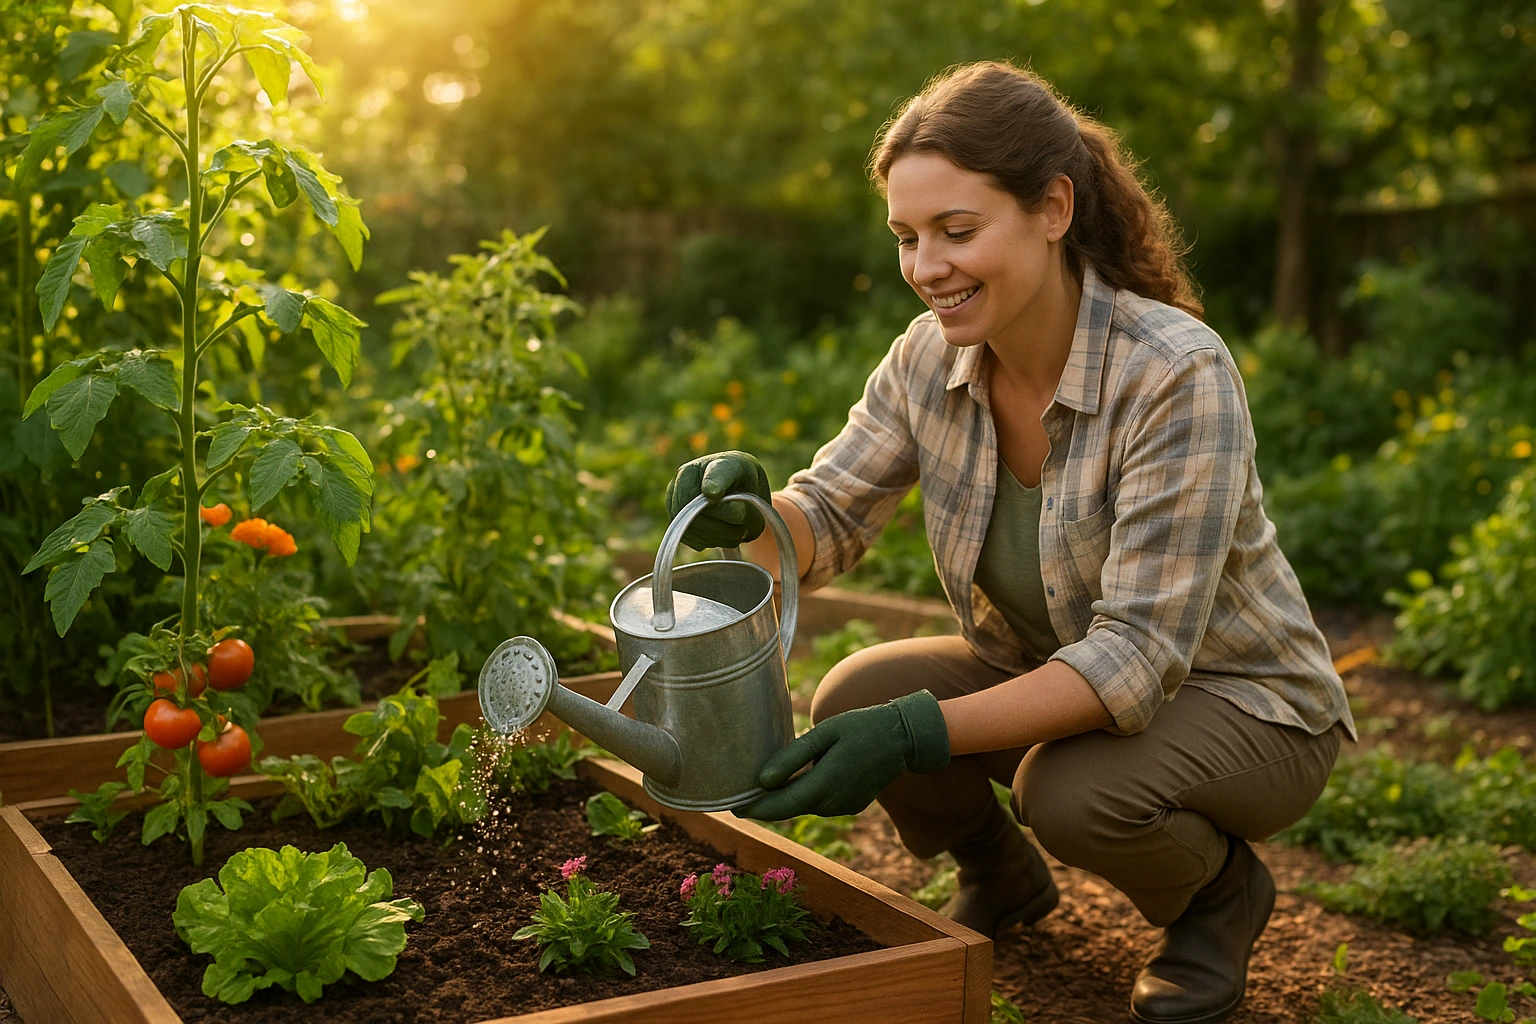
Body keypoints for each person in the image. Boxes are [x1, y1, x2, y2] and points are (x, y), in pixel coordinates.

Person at [662, 61, 1355, 1024]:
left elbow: (1136, 659)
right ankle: (1004, 875)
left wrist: (916, 733)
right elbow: (828, 518)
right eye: (907, 237)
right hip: (1059, 671)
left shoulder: (1175, 375)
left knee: (1067, 791)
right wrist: (755, 520)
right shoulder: (929, 358)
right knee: (858, 687)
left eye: (958, 231)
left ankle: (1216, 900)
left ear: (1054, 209)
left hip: (1246, 706)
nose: (926, 266)